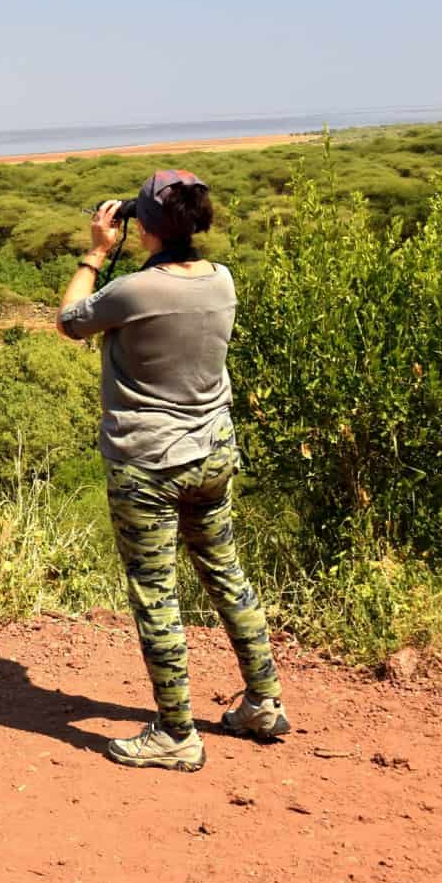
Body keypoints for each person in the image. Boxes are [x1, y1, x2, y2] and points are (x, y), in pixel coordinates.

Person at [56, 169, 288, 772]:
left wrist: (95, 251)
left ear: (146, 227)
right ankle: (263, 702)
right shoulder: (223, 280)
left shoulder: (134, 290)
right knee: (225, 573)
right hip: (212, 453)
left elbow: (69, 320)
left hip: (148, 464)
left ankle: (177, 733)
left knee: (155, 594)